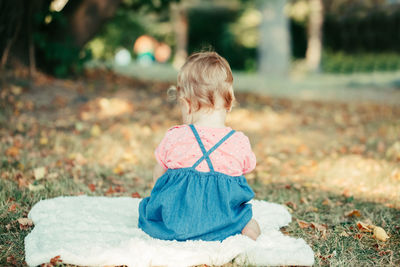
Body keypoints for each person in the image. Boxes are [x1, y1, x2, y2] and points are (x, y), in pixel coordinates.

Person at [138, 51, 261, 242]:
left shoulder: (175, 136)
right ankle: (248, 234)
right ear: (229, 102)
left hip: (176, 221)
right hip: (224, 220)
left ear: (187, 104)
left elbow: (158, 174)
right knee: (246, 218)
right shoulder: (239, 141)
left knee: (147, 211)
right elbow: (245, 170)